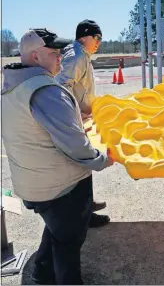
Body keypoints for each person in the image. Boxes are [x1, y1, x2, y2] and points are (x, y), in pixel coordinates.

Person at [1, 28, 114, 284]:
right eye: (54, 53)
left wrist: (71, 118)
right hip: (61, 186)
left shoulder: (11, 87)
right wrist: (103, 159)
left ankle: (42, 271)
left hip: (32, 182)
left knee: (56, 229)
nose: (60, 58)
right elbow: (76, 146)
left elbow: (32, 128)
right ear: (36, 56)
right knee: (68, 243)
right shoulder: (46, 91)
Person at [56, 19, 109, 228]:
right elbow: (60, 87)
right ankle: (84, 215)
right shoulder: (77, 56)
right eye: (96, 38)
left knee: (83, 166)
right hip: (74, 121)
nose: (99, 43)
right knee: (80, 165)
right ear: (83, 37)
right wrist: (76, 112)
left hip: (79, 118)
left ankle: (86, 205)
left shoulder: (82, 55)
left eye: (101, 39)